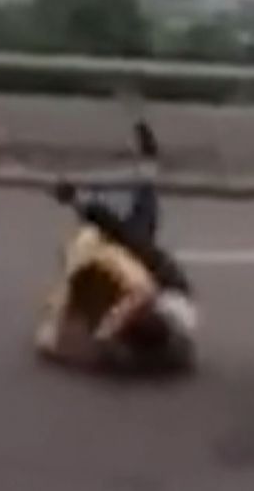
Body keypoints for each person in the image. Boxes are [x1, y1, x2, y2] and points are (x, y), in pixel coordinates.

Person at [36, 123, 198, 373]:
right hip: (165, 287)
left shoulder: (131, 344)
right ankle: (144, 172)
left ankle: (140, 174)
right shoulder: (167, 315)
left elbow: (69, 333)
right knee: (132, 236)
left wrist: (58, 338)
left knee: (127, 235)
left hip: (154, 296)